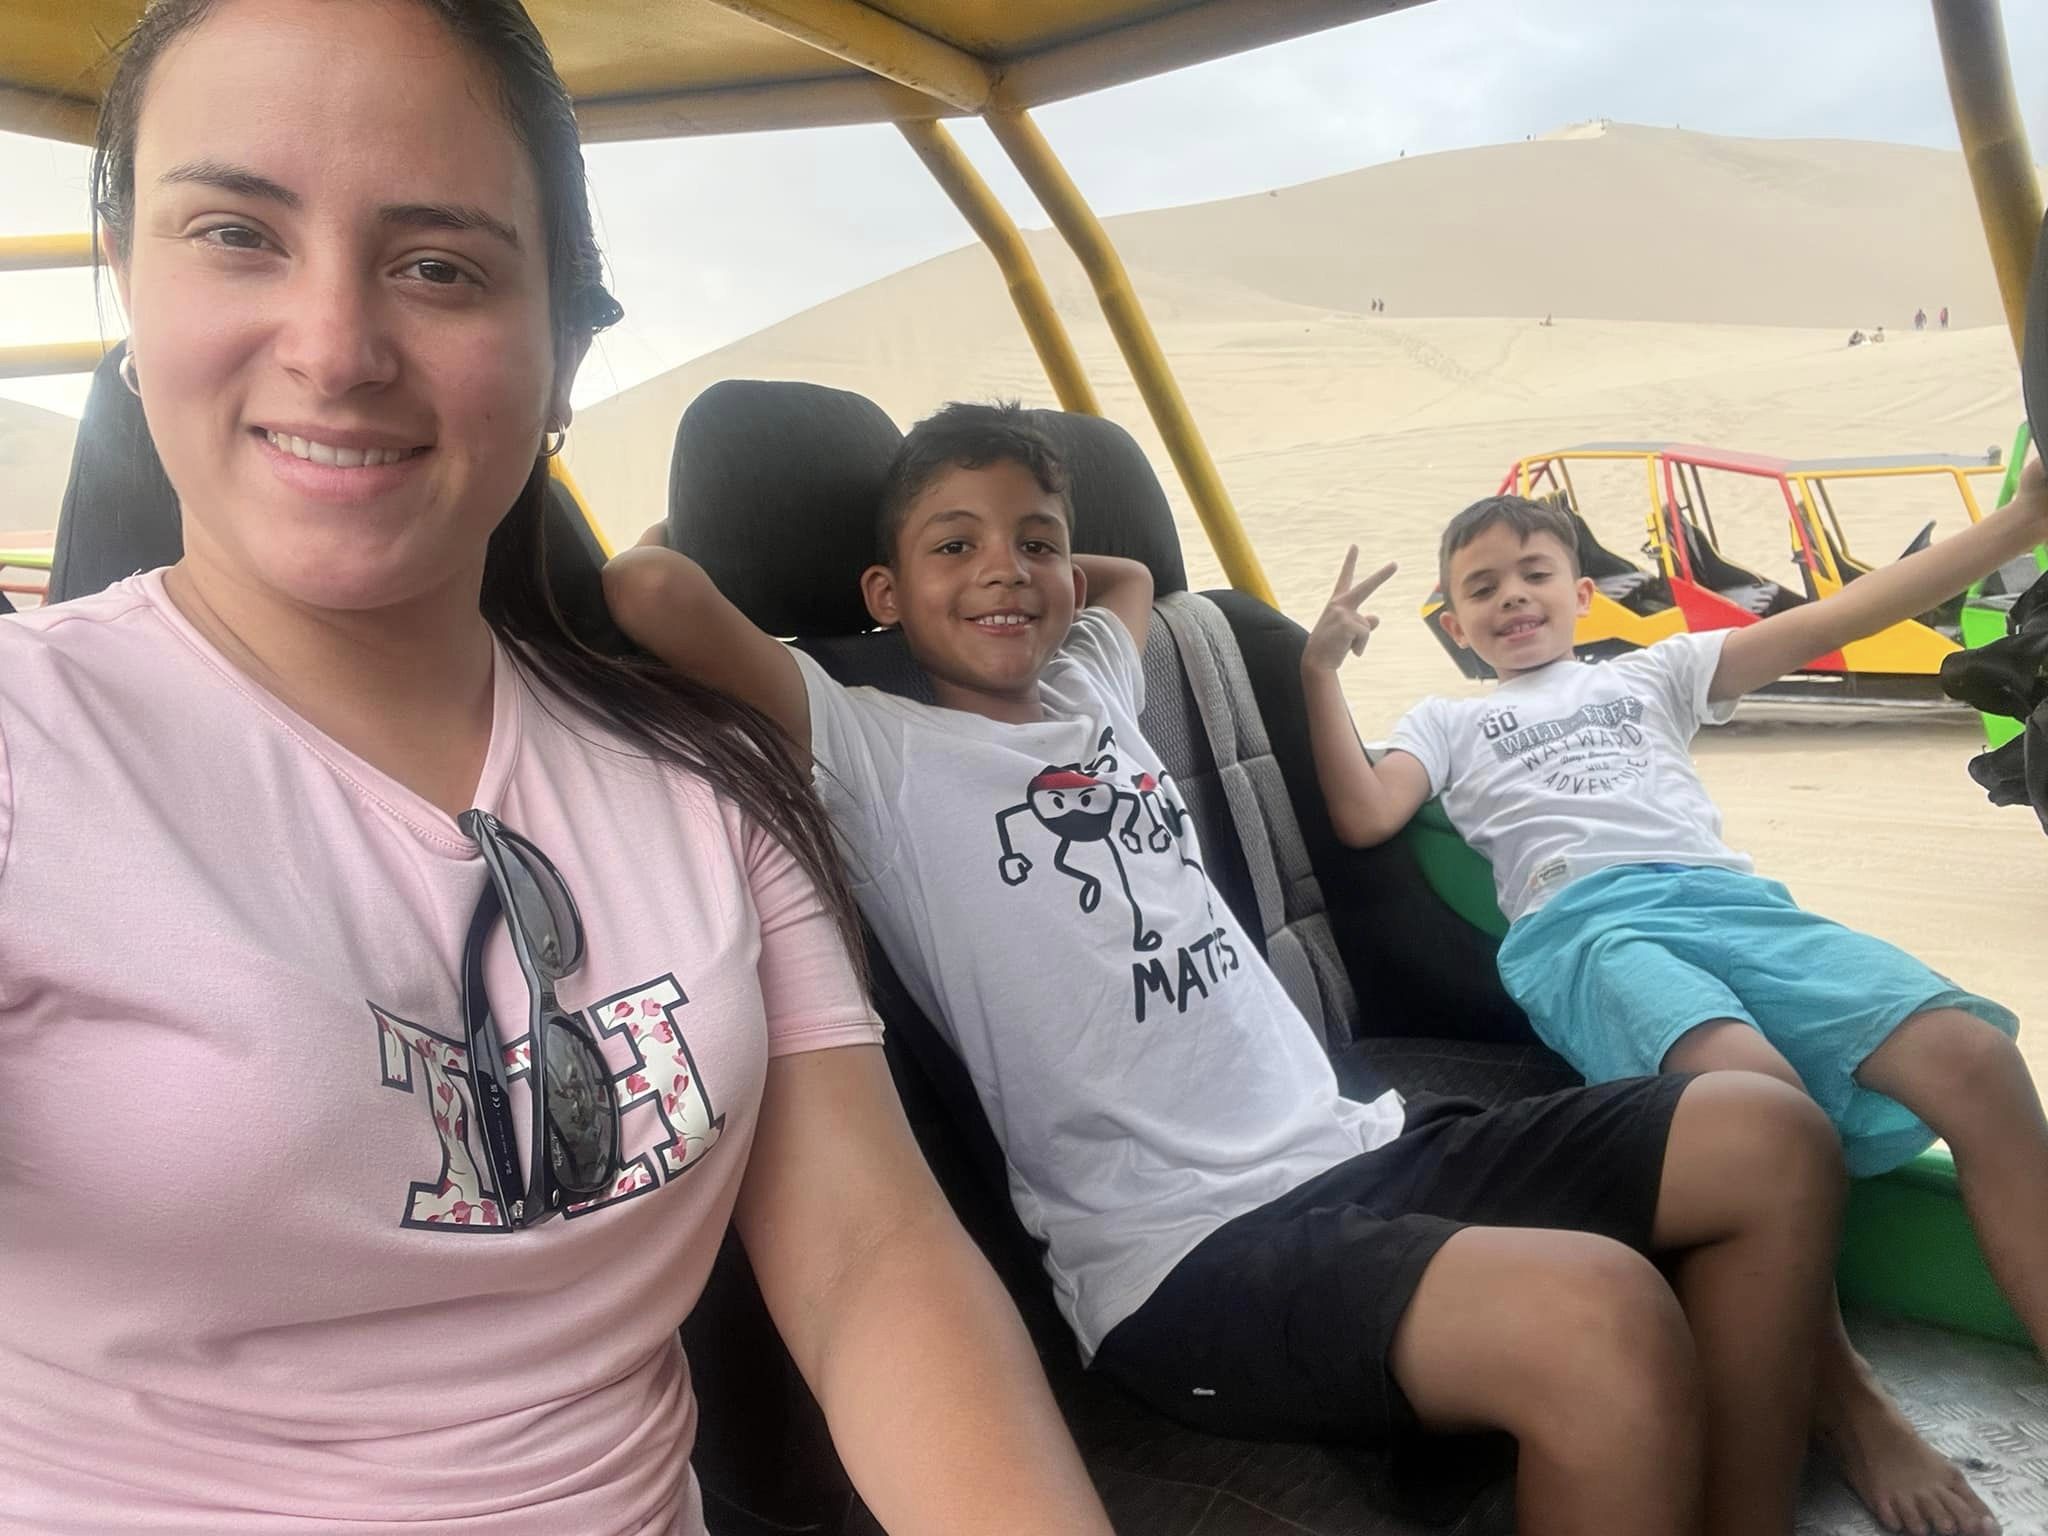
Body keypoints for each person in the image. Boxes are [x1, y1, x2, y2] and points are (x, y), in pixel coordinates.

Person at [0, 6, 1115, 1534]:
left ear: (565, 355)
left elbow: (873, 1262)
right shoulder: (33, 750)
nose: (334, 348)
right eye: (238, 236)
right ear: (129, 280)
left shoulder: (707, 779)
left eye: (439, 266)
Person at [608, 402, 1859, 1536]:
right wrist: (763, 562)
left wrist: (1031, 568)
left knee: (1766, 1132)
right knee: (1599, 1318)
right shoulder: (868, 744)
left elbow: (1128, 577)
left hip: (1353, 1145)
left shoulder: (1093, 680)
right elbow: (650, 589)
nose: (1003, 568)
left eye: (1034, 542)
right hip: (1177, 1259)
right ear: (881, 590)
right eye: (953, 546)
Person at [1301, 474, 2048, 1535]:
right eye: (1480, 587)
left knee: (1976, 1060)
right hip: (1589, 930)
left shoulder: (1652, 672)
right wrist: (1319, 671)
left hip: (1732, 905)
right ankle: (1850, 1405)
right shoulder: (1444, 721)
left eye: (1533, 573)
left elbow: (1836, 618)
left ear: (1579, 591)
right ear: (1453, 623)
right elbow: (1366, 812)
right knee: (1761, 1107)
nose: (1511, 597)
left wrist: (2021, 522)